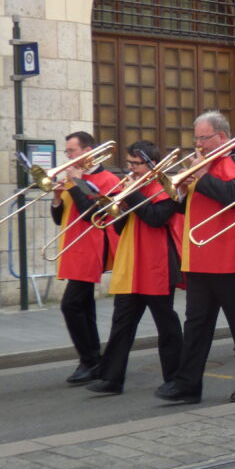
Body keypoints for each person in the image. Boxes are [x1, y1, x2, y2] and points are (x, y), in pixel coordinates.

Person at [155, 111, 235, 404]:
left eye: (204, 138)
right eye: (196, 139)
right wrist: (179, 190)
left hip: (232, 258)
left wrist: (201, 177)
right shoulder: (199, 165)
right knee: (196, 325)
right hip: (200, 256)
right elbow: (186, 208)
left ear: (222, 137)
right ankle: (188, 385)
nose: (199, 145)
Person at [86, 141, 184, 395]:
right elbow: (119, 228)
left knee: (166, 325)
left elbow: (156, 218)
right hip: (131, 263)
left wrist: (132, 195)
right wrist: (120, 206)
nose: (131, 169)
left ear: (151, 165)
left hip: (157, 265)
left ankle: (175, 378)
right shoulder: (131, 188)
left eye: (136, 164)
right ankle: (112, 378)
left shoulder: (166, 188)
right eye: (129, 163)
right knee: (122, 324)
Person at [50, 131, 119, 385]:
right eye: (67, 152)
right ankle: (92, 358)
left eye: (72, 151)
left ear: (88, 150)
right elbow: (60, 219)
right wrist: (57, 199)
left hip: (92, 246)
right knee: (83, 305)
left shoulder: (107, 179)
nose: (68, 156)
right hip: (73, 246)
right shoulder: (72, 179)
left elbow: (93, 214)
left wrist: (77, 182)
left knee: (70, 305)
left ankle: (89, 360)